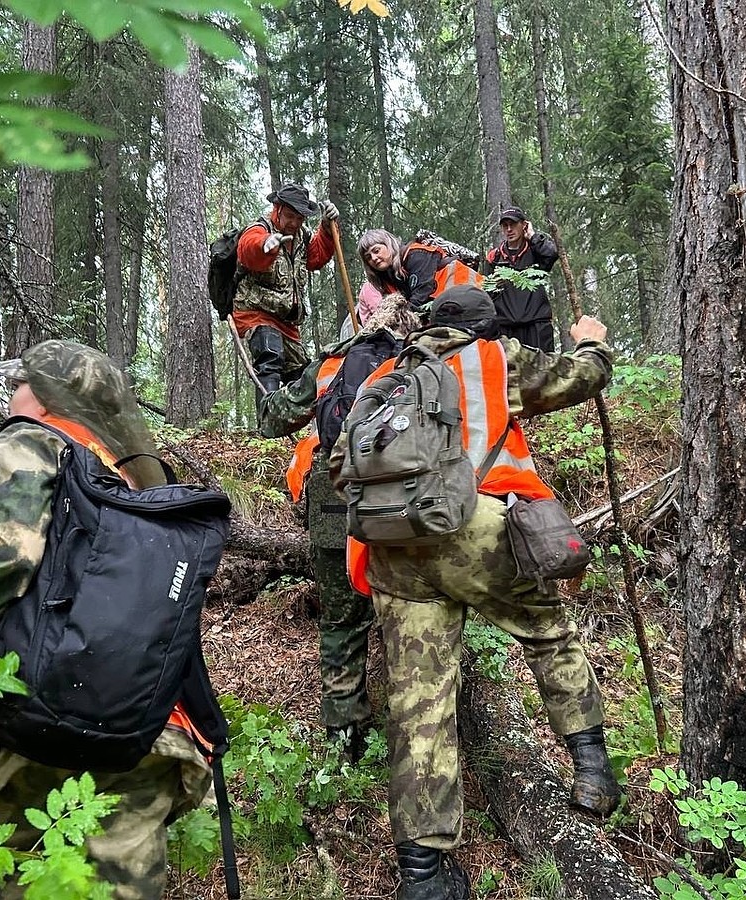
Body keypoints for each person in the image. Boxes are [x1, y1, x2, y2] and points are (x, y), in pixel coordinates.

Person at [329, 284, 620, 900]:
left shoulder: (383, 375)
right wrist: (593, 343)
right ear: (484, 326)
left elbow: (338, 466)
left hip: (394, 548)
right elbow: (578, 379)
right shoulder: (497, 357)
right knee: (547, 636)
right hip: (476, 529)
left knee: (418, 700)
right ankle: (593, 770)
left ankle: (423, 875)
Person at [0, 340, 210, 900]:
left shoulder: (28, 441)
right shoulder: (134, 481)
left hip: (27, 708)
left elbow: (6, 558)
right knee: (119, 880)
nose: (11, 395)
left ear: (42, 399)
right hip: (142, 722)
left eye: (19, 384)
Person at [258, 293, 423, 761]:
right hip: (406, 503)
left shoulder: (333, 364)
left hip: (336, 501)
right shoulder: (424, 363)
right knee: (411, 614)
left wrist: (276, 390)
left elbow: (273, 421)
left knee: (342, 620)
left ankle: (343, 735)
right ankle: (415, 730)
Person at [235, 182, 340, 395]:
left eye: (300, 218)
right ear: (278, 209)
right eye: (290, 216)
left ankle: (297, 423)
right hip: (256, 313)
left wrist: (327, 228)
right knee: (269, 355)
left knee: (303, 373)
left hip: (287, 322)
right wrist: (265, 245)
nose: (295, 223)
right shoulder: (260, 228)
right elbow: (247, 247)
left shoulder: (303, 236)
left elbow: (316, 257)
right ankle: (266, 423)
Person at [482, 205, 560, 351]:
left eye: (513, 224)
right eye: (505, 226)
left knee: (542, 371)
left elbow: (553, 254)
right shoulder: (495, 257)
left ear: (523, 225)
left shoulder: (536, 251)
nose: (509, 229)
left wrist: (532, 236)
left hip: (536, 326)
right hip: (506, 329)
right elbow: (487, 291)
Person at [358, 228, 483, 314]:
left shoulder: (416, 255)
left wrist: (396, 319)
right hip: (449, 307)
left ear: (388, 245)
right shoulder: (388, 278)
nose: (374, 258)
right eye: (368, 257)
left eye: (376, 250)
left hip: (469, 293)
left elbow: (421, 295)